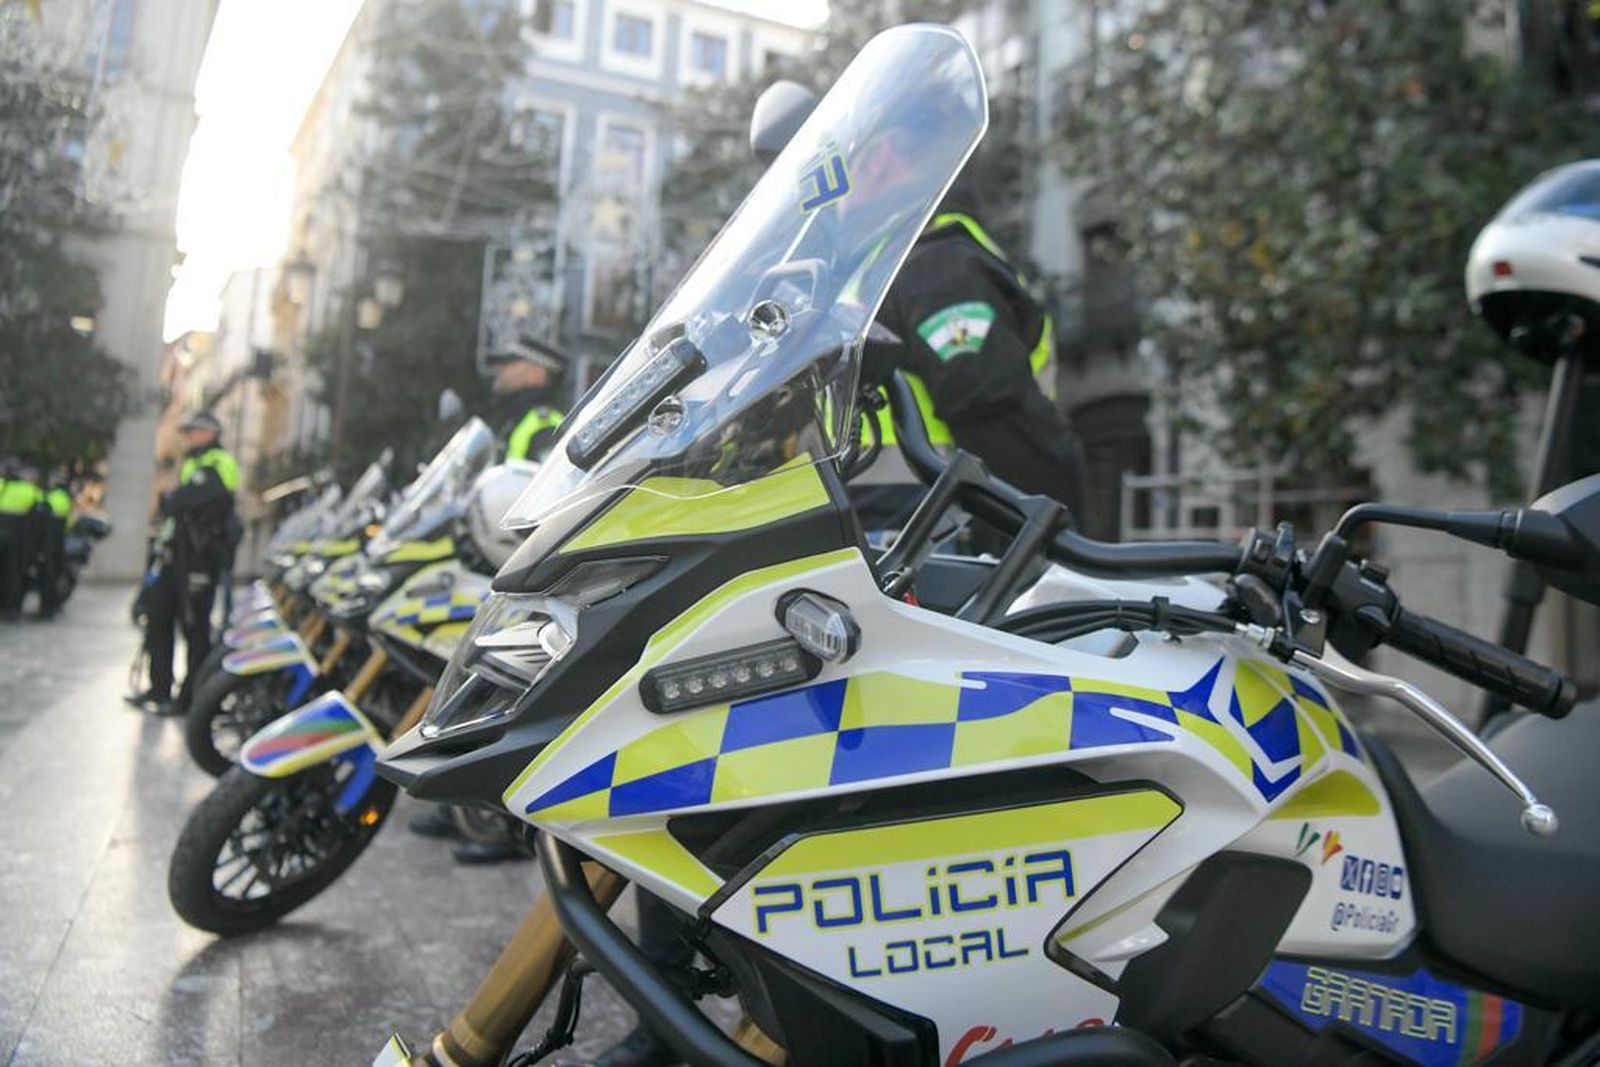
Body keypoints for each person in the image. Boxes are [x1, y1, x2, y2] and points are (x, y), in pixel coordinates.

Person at [407, 336, 570, 864]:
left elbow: (536, 503)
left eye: (510, 364)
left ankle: (503, 825)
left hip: (526, 576)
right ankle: (459, 800)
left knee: (503, 693)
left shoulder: (542, 424)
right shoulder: (509, 421)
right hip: (493, 567)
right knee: (470, 683)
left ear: (536, 371)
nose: (500, 373)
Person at [125, 412, 239, 715]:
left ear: (211, 432)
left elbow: (182, 501)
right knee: (158, 618)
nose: (189, 436)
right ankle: (159, 689)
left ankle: (191, 699)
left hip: (199, 560)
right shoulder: (194, 462)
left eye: (195, 430)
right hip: (177, 556)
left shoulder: (219, 462)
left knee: (195, 629)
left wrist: (174, 499)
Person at [487, 335, 568, 462]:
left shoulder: (546, 426)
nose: (500, 369)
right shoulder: (512, 417)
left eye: (509, 362)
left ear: (536, 374)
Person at [0, 460, 42, 622]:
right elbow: (38, 518)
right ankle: (12, 610)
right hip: (19, 541)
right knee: (15, 575)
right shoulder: (30, 491)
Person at [35, 473, 72, 619]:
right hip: (56, 546)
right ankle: (50, 608)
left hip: (47, 546)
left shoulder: (47, 498)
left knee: (47, 577)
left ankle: (47, 608)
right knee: (53, 577)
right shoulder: (63, 498)